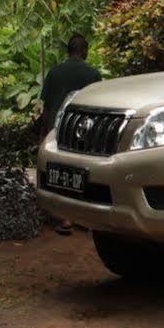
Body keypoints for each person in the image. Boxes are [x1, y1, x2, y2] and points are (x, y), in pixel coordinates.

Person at [39, 35, 101, 234]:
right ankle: (86, 218)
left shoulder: (54, 73)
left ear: (68, 51)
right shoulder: (93, 74)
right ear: (84, 51)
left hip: (56, 130)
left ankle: (65, 218)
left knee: (58, 172)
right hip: (83, 132)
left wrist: (43, 134)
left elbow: (47, 108)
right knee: (83, 172)